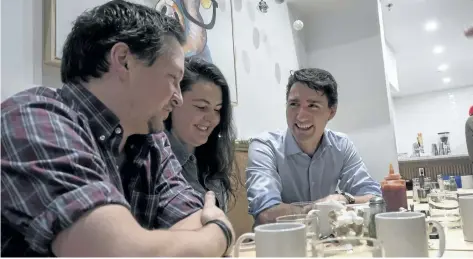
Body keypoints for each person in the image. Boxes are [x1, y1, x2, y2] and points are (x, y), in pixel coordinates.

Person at [1, 1, 233, 257]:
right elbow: (117, 252)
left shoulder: (151, 142)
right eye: (173, 78)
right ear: (123, 61)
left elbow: (191, 220)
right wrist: (219, 230)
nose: (178, 97)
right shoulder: (36, 120)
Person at [246, 68, 382, 225]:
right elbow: (266, 213)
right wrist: (318, 210)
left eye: (312, 105)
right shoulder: (264, 147)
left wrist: (345, 198)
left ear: (331, 112)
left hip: (328, 244)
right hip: (279, 243)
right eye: (294, 104)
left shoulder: (341, 145)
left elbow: (374, 198)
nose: (300, 115)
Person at [164, 57, 237, 213]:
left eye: (217, 110)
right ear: (174, 102)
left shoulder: (211, 160)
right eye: (201, 107)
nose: (211, 119)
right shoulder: (155, 159)